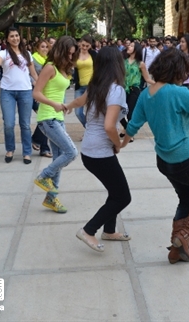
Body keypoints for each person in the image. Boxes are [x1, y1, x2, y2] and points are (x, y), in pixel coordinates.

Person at [121, 48, 189, 264]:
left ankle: (177, 250)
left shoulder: (147, 93)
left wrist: (120, 145)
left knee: (186, 198)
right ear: (177, 71)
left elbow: (132, 126)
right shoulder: (177, 93)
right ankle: (184, 235)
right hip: (185, 159)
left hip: (164, 161)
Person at [65, 47, 132, 252]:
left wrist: (66, 106)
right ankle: (88, 230)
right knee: (123, 197)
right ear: (117, 65)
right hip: (100, 152)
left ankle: (109, 230)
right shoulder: (116, 90)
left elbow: (78, 101)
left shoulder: (96, 85)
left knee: (114, 191)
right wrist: (118, 145)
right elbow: (110, 126)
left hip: (90, 151)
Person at [32, 36, 79, 213]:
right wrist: (54, 105)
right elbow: (36, 93)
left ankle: (51, 199)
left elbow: (57, 91)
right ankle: (43, 176)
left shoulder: (64, 69)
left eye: (72, 54)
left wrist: (65, 105)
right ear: (60, 50)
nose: (70, 56)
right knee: (71, 152)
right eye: (68, 53)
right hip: (47, 118)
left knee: (59, 157)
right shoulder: (50, 67)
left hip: (58, 117)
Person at [0, 28, 38, 164]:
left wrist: (39, 86)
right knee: (9, 124)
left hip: (25, 91)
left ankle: (27, 152)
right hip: (7, 92)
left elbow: (33, 73)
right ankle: (10, 149)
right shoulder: (3, 53)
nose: (15, 38)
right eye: (12, 36)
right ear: (7, 39)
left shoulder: (27, 54)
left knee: (25, 124)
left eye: (17, 36)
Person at [119, 40, 155, 138]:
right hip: (122, 89)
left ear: (136, 49)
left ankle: (129, 134)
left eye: (131, 46)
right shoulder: (123, 61)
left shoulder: (141, 64)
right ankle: (126, 128)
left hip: (134, 89)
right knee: (118, 112)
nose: (128, 47)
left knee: (130, 113)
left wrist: (158, 84)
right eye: (129, 45)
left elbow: (147, 78)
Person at [31, 40, 53, 158]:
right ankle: (40, 144)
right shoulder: (33, 59)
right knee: (46, 118)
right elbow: (29, 74)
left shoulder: (48, 60)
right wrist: (35, 86)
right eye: (42, 47)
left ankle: (40, 143)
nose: (45, 49)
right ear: (37, 48)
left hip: (44, 92)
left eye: (47, 47)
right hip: (33, 92)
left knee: (45, 119)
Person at [73, 34, 96, 128]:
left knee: (91, 112)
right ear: (79, 44)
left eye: (87, 46)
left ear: (90, 45)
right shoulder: (75, 54)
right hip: (80, 86)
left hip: (92, 86)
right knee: (78, 112)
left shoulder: (94, 54)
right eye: (83, 45)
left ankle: (90, 132)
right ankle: (88, 129)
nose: (85, 48)